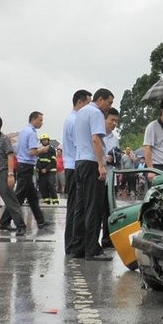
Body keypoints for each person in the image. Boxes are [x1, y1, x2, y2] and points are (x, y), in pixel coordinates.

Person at [70, 88, 114, 261]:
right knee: (94, 207)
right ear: (100, 99)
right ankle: (92, 249)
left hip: (79, 162)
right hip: (91, 162)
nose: (109, 107)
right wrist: (101, 165)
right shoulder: (95, 113)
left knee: (80, 208)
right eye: (109, 102)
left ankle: (78, 247)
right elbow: (96, 139)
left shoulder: (81, 112)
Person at [0, 111, 49, 231]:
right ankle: (4, 222)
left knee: (32, 197)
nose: (41, 123)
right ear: (33, 120)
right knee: (18, 198)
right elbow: (32, 151)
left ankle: (40, 221)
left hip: (23, 166)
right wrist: (42, 150)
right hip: (26, 166)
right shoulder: (31, 133)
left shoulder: (23, 131)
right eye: (40, 120)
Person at [62, 89, 92, 256]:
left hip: (72, 166)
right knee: (75, 208)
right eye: (88, 103)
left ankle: (72, 245)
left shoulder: (72, 119)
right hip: (74, 167)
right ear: (80, 102)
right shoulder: (75, 121)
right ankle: (73, 245)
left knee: (74, 208)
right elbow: (79, 144)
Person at [100, 107, 121, 249]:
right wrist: (104, 159)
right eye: (112, 120)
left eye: (116, 121)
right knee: (97, 210)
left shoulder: (115, 139)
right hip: (99, 177)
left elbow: (117, 158)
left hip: (111, 178)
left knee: (109, 211)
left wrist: (113, 158)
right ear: (104, 119)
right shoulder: (97, 136)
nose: (114, 123)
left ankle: (107, 240)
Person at [36, 134, 58, 205]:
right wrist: (40, 168)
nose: (44, 141)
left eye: (45, 140)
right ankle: (46, 200)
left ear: (48, 140)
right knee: (43, 185)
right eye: (43, 140)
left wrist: (46, 169)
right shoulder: (39, 150)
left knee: (51, 184)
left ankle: (55, 200)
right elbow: (37, 160)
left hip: (51, 170)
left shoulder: (52, 149)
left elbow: (53, 161)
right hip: (41, 171)